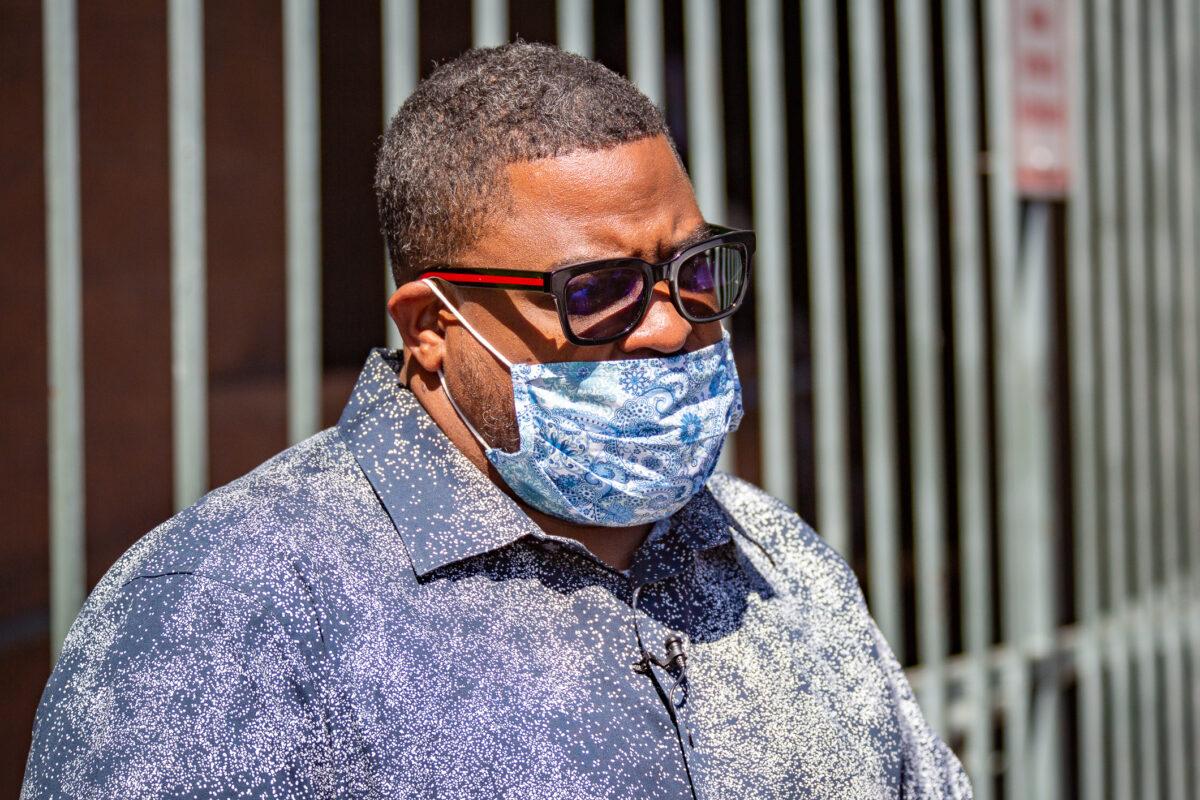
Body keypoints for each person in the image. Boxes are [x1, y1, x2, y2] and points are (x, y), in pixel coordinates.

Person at [22, 42, 971, 799]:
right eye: (599, 291)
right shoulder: (230, 614)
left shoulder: (776, 561)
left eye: (695, 271)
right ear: (432, 328)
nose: (670, 324)